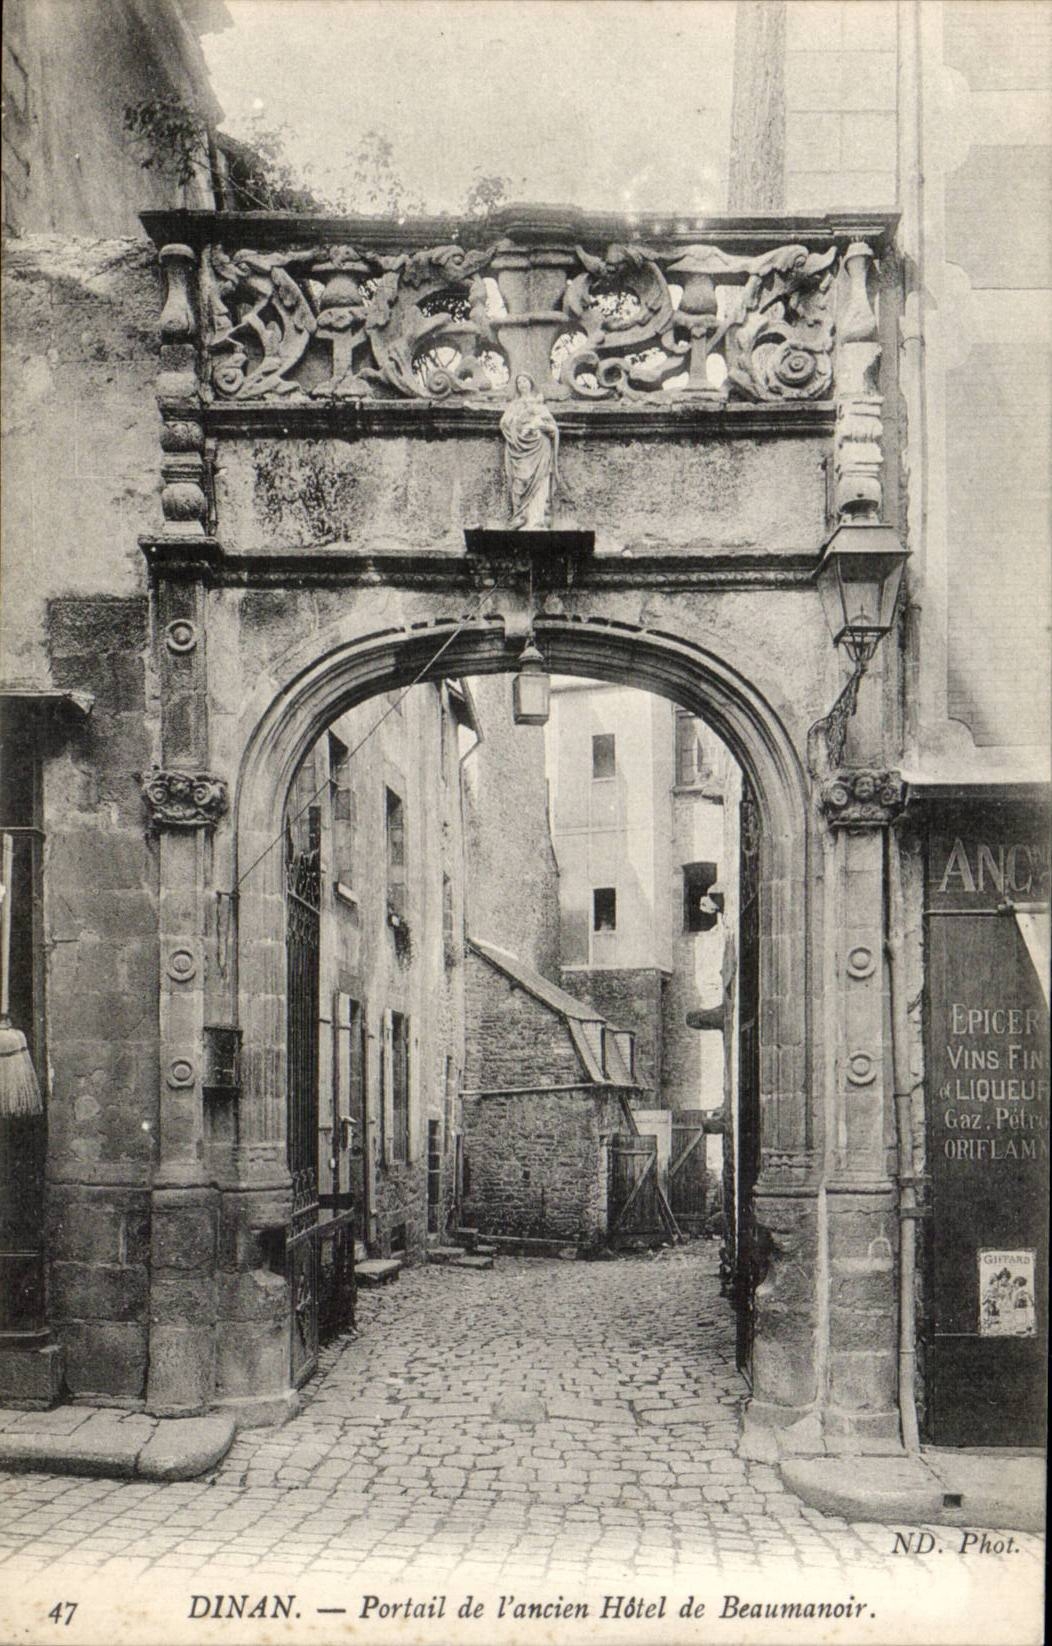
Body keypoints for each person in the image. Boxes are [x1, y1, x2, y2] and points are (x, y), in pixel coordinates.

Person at [499, 373, 562, 529]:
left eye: (525, 381)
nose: (522, 384)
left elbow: (553, 429)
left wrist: (540, 426)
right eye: (519, 382)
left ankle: (537, 520)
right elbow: (504, 424)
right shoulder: (514, 406)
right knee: (519, 481)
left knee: (540, 481)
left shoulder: (540, 405)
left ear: (531, 383)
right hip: (519, 449)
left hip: (540, 447)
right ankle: (520, 517)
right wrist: (519, 426)